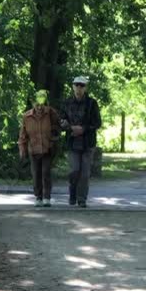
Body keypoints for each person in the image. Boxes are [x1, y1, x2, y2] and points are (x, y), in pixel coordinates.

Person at [60, 76, 101, 207]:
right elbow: (61, 121)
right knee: (74, 170)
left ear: (85, 87)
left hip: (88, 143)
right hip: (72, 142)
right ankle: (72, 193)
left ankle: (81, 199)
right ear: (73, 86)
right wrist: (69, 127)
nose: (79, 87)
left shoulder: (92, 103)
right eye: (77, 85)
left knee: (85, 173)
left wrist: (83, 129)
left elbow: (97, 123)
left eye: (82, 85)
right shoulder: (66, 103)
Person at [18, 89, 61, 207]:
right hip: (34, 149)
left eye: (42, 104)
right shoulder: (27, 116)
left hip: (48, 148)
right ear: (33, 103)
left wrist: (54, 138)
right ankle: (38, 197)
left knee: (46, 172)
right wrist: (22, 149)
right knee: (36, 174)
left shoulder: (51, 113)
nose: (40, 107)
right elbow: (23, 135)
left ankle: (47, 197)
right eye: (37, 104)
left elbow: (59, 127)